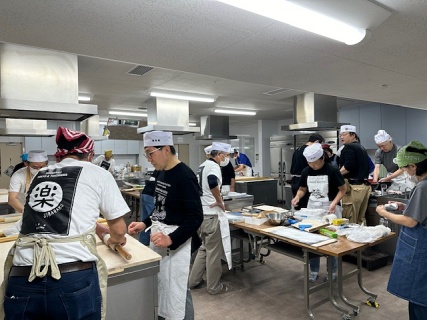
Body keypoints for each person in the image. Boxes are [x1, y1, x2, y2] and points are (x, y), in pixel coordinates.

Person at [2, 127, 128, 320]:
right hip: (71, 278)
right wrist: (111, 239)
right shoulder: (98, 173)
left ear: (58, 157)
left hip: (21, 276)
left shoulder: (41, 175)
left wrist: (95, 228)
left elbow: (56, 217)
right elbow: (119, 230)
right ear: (90, 155)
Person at [127, 131, 203, 320]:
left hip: (178, 241)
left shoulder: (185, 176)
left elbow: (196, 217)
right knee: (164, 285)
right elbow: (161, 207)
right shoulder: (161, 172)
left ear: (166, 149)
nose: (148, 159)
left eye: (150, 153)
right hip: (160, 236)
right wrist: (144, 223)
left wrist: (171, 239)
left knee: (178, 289)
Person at [376, 140, 427, 320]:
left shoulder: (423, 186)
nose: (404, 172)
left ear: (414, 166)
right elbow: (420, 211)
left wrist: (384, 212)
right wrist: (401, 206)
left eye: (405, 169)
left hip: (421, 249)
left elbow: (411, 221)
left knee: (419, 295)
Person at [291, 143, 346, 282]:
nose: (313, 166)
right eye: (310, 163)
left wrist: (334, 203)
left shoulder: (332, 170)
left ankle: (333, 271)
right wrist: (297, 196)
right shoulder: (306, 171)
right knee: (312, 241)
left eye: (315, 163)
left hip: (330, 210)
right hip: (312, 209)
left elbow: (343, 189)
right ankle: (314, 270)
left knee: (332, 242)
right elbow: (303, 189)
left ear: (322, 158)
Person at [189, 142, 233, 295]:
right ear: (220, 154)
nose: (227, 159)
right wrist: (219, 200)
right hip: (211, 215)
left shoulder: (201, 166)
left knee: (204, 248)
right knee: (214, 252)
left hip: (201, 214)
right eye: (226, 156)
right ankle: (214, 287)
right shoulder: (214, 167)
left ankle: (193, 281)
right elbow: (213, 182)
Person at [338, 125, 371, 224]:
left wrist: (335, 175)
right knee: (360, 219)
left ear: (353, 135)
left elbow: (349, 166)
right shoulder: (361, 147)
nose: (341, 137)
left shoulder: (348, 147)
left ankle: (351, 240)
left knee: (350, 218)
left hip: (354, 188)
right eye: (340, 135)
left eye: (344, 134)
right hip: (364, 187)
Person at [290, 133, 324, 210]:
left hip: (295, 180)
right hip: (304, 181)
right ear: (317, 142)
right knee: (305, 207)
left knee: (298, 206)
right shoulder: (309, 151)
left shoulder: (298, 149)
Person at [138, 170, 157, 246]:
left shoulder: (158, 170)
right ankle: (154, 244)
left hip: (146, 192)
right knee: (154, 221)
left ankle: (143, 243)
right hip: (152, 194)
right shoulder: (165, 168)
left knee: (145, 220)